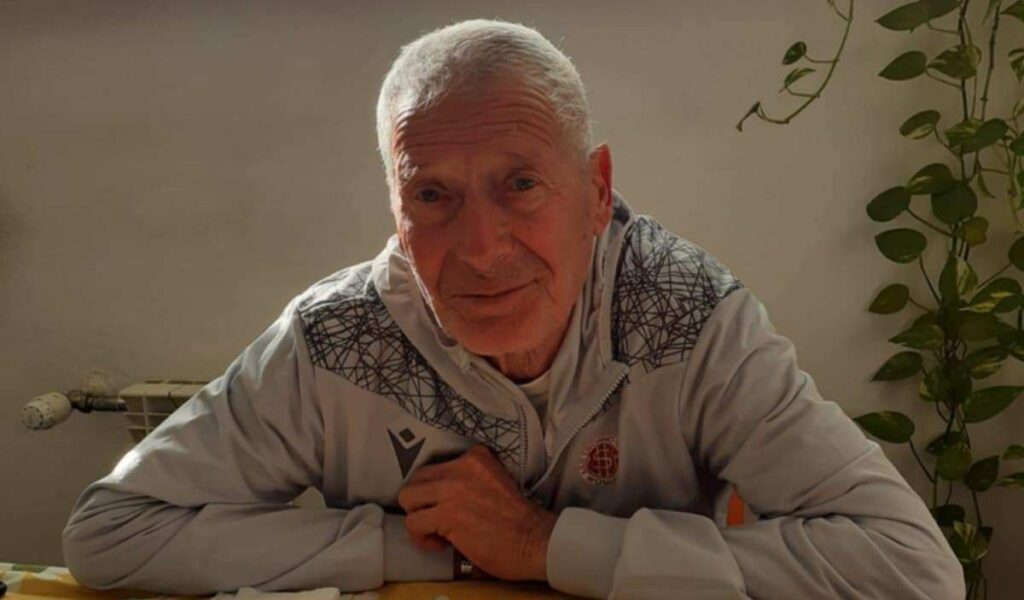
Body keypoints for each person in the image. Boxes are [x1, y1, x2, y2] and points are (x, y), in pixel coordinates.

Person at [62, 18, 965, 599]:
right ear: (395, 208)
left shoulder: (690, 314)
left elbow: (912, 568)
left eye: (521, 185)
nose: (483, 248)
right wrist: (430, 548)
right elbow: (110, 534)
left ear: (597, 190)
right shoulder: (334, 336)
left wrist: (545, 546)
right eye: (432, 196)